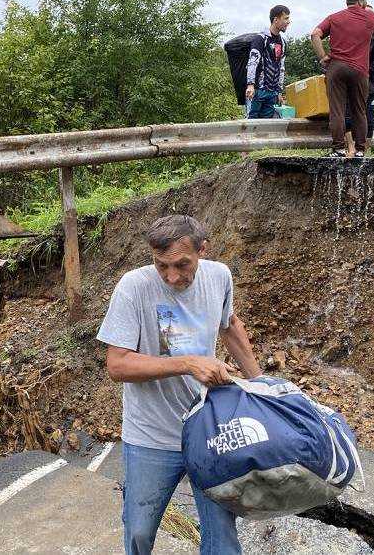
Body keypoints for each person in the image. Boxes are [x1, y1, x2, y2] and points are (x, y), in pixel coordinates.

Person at [96, 215, 262, 555]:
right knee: (139, 533)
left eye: (182, 265)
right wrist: (188, 363)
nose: (172, 276)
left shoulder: (219, 276)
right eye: (162, 266)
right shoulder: (134, 287)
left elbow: (229, 325)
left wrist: (263, 386)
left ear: (203, 250)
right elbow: (117, 364)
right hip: (151, 436)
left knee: (222, 540)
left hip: (210, 432)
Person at [311, 0, 374, 158]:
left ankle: (338, 149)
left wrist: (323, 57)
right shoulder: (370, 17)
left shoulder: (334, 17)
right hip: (360, 70)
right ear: (360, 0)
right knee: (359, 111)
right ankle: (360, 150)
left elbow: (315, 34)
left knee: (337, 110)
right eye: (365, 1)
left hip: (336, 68)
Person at [345, 5, 374, 154]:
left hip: (370, 84)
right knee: (348, 117)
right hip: (350, 83)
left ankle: (364, 151)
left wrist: (362, 69)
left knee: (368, 118)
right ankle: (350, 150)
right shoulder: (352, 34)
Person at [245, 6, 291, 118]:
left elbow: (281, 67)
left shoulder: (282, 42)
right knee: (251, 123)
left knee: (267, 126)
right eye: (286, 18)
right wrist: (250, 85)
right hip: (257, 90)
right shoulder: (260, 38)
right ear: (276, 20)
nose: (288, 22)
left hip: (272, 92)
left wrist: (279, 91)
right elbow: (252, 62)